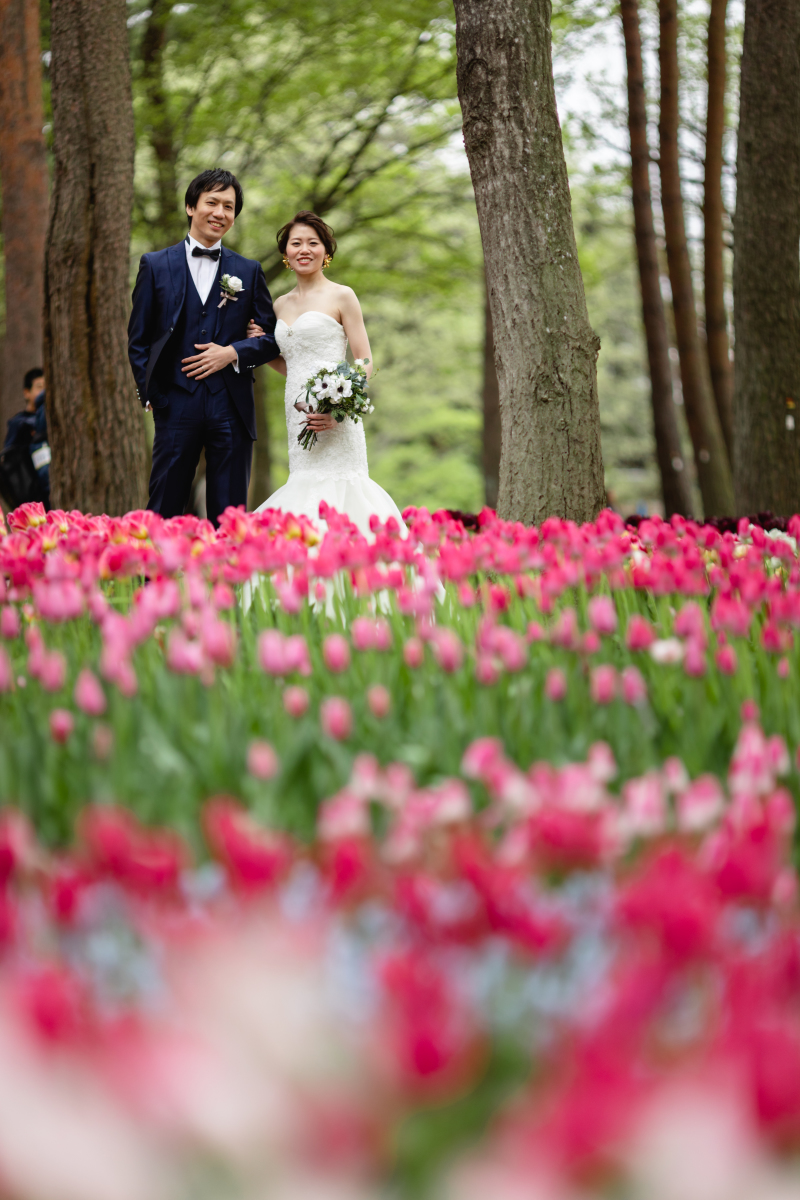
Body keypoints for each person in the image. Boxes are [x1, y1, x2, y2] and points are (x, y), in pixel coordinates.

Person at [127, 168, 282, 525]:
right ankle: (154, 579)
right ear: (190, 207)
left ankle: (227, 581)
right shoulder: (155, 265)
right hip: (175, 402)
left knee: (229, 515)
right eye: (212, 202)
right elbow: (139, 339)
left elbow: (273, 340)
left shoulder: (249, 270)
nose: (220, 213)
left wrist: (233, 352)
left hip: (232, 405)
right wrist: (152, 395)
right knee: (165, 503)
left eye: (229, 207)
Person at [246, 211, 405, 537]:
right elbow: (289, 364)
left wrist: (338, 410)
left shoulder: (342, 295)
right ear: (286, 254)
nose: (304, 249)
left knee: (342, 487)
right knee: (304, 487)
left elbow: (364, 360)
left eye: (312, 243)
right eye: (296, 243)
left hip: (336, 415)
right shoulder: (279, 305)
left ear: (326, 252)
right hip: (298, 415)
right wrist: (257, 350)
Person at [3, 368, 50, 506]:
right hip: (33, 493)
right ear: (26, 393)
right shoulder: (19, 424)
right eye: (39, 387)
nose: (44, 392)